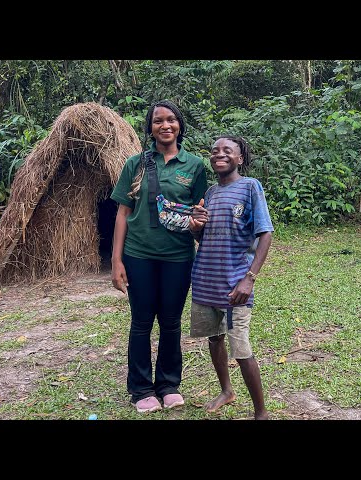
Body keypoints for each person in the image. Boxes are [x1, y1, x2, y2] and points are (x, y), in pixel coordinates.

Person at [110, 99, 208, 413]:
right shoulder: (135, 164)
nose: (165, 125)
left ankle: (168, 384)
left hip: (178, 257)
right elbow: (123, 213)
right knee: (141, 322)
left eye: (171, 120)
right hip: (138, 255)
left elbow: (199, 214)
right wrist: (116, 261)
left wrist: (196, 226)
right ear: (150, 128)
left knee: (170, 322)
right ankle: (140, 389)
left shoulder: (194, 166)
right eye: (157, 121)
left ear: (180, 124)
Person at [189, 135, 274, 420]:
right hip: (205, 282)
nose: (219, 155)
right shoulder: (210, 193)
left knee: (241, 349)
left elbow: (265, 233)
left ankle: (260, 412)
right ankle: (227, 390)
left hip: (235, 285)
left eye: (228, 151)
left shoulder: (251, 187)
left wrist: (249, 278)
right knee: (214, 340)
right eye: (215, 151)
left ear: (240, 159)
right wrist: (195, 226)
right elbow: (203, 237)